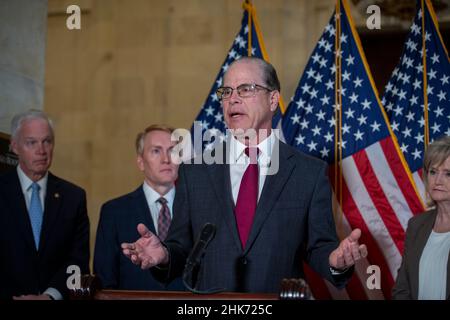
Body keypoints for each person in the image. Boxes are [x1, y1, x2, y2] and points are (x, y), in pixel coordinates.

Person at [121, 57, 367, 293]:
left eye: (245, 89)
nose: (233, 99)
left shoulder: (307, 173)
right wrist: (164, 255)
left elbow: (319, 247)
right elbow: (182, 248)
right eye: (226, 92)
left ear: (273, 100)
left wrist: (336, 260)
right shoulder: (194, 172)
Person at [0, 110, 90, 300]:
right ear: (15, 147)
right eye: (31, 142)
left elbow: (77, 262)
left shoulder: (73, 197)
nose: (41, 150)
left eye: (47, 141)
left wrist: (50, 296)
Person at [94, 125, 184, 290]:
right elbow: (105, 281)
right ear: (141, 162)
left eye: (172, 151)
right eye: (156, 151)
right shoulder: (114, 212)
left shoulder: (197, 208)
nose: (166, 159)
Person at [393, 136, 450, 300]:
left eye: (448, 174)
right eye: (433, 172)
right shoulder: (416, 225)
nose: (437, 181)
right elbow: (402, 288)